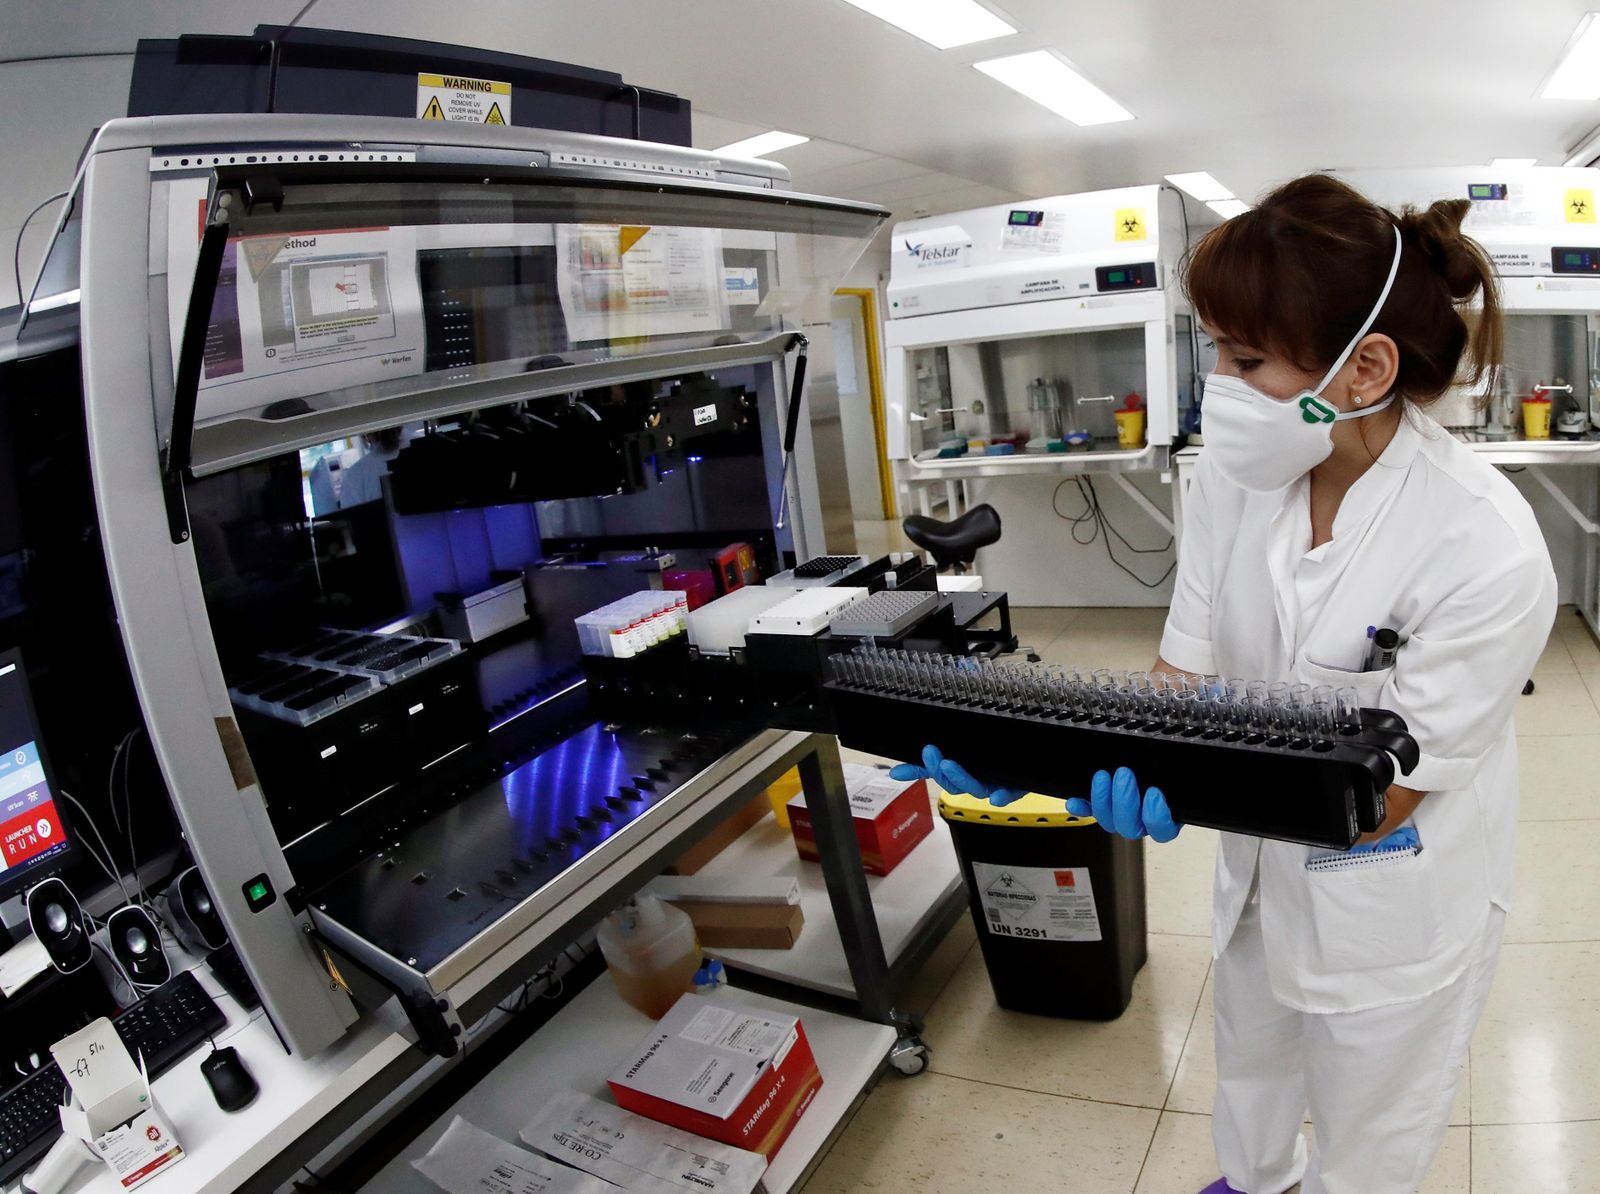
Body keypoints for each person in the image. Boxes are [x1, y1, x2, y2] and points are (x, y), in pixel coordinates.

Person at [894, 175, 1557, 1194]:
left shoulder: (1483, 545)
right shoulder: (1229, 486)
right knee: (1249, 1070)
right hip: (1258, 876)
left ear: (1364, 367)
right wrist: (1051, 758)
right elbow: (1180, 681)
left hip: (1391, 897)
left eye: (1243, 358)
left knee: (1367, 1135)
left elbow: (1383, 799)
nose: (1216, 382)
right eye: (1213, 349)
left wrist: (1186, 784)